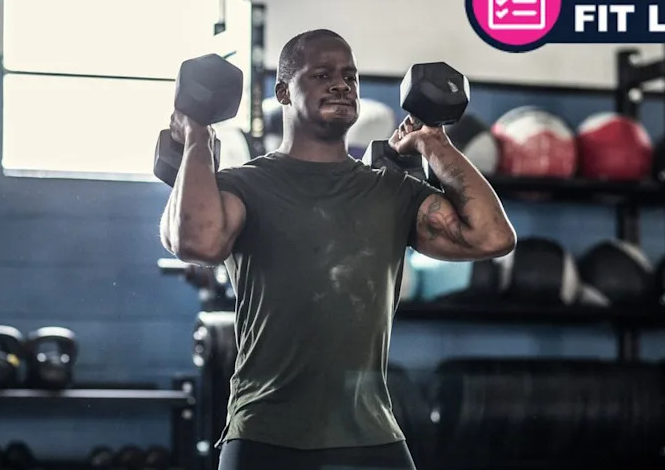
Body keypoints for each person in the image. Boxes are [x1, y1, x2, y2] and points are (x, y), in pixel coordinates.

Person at [160, 29, 516, 470]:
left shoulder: (391, 191)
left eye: (351, 76)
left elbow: (492, 237)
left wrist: (433, 142)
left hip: (371, 436)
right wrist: (196, 137)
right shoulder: (244, 184)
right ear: (283, 92)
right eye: (322, 74)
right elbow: (197, 241)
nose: (342, 85)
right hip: (266, 435)